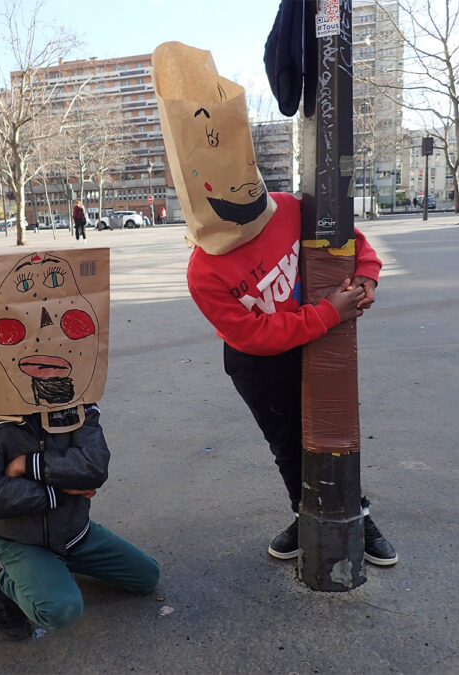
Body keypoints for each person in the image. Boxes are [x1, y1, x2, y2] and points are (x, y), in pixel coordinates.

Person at [152, 41, 398, 568]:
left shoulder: (286, 210)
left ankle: (357, 516)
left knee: (335, 429)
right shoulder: (203, 272)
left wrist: (368, 278)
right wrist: (330, 312)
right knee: (288, 443)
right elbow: (252, 337)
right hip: (261, 364)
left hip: (319, 335)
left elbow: (352, 242)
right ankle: (305, 512)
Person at [0, 404, 161, 640]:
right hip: (21, 540)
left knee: (147, 576)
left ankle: (55, 570)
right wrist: (57, 491)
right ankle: (3, 579)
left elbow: (94, 467)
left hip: (75, 532)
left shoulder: (77, 405)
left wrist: (25, 464)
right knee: (60, 611)